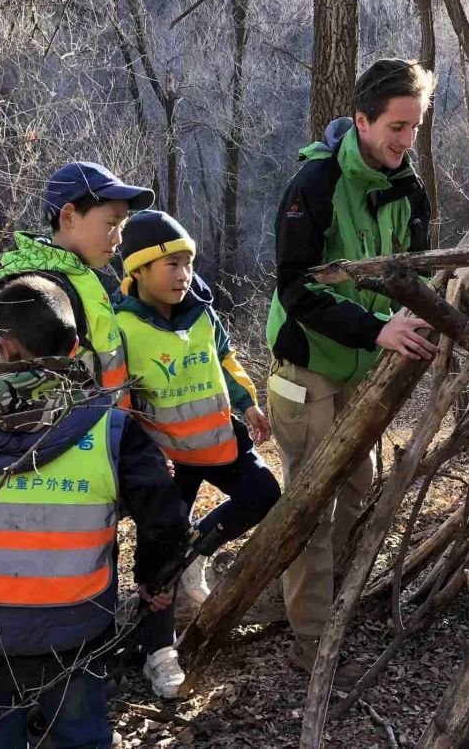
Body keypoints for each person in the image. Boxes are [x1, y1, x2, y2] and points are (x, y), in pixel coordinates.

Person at [0, 275, 190, 747]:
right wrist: (156, 579)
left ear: (5, 348)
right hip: (77, 634)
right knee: (81, 738)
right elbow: (166, 518)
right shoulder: (111, 429)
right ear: (75, 349)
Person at [265, 58, 438, 687]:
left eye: (415, 127)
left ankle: (323, 608)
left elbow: (414, 270)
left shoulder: (407, 183)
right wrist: (375, 329)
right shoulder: (313, 184)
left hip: (366, 367)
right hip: (307, 368)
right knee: (310, 502)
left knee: (355, 489)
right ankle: (313, 649)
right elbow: (295, 287)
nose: (405, 140)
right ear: (361, 120)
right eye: (396, 126)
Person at [113, 210, 281, 654]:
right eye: (172, 265)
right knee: (160, 557)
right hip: (166, 458)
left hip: (219, 441)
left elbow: (224, 361)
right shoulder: (121, 326)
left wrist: (248, 404)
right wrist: (140, 457)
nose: (184, 275)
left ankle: (199, 551)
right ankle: (159, 652)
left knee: (264, 495)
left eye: (188, 264)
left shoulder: (202, 312)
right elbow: (119, 401)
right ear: (138, 270)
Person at [0, 161, 155, 401]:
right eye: (112, 224)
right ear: (69, 216)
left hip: (104, 431)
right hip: (78, 436)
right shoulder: (43, 294)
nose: (118, 238)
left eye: (123, 227)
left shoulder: (75, 278)